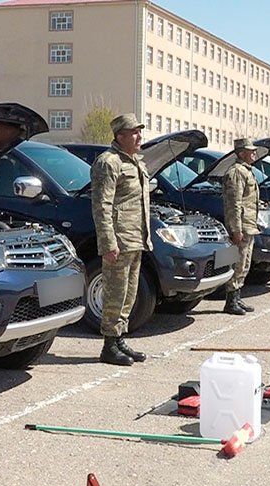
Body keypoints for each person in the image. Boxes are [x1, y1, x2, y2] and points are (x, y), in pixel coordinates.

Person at [90, 113, 150, 366]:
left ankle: (119, 339)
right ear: (120, 136)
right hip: (119, 239)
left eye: (139, 131)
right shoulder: (109, 162)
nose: (139, 136)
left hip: (135, 237)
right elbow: (101, 205)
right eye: (133, 132)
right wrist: (108, 243)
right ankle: (109, 346)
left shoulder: (135, 161)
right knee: (115, 293)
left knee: (129, 294)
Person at [221, 138, 261, 315]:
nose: (254, 153)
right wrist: (235, 229)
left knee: (244, 263)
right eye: (250, 150)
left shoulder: (247, 171)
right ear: (241, 153)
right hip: (242, 225)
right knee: (237, 262)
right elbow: (234, 203)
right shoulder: (237, 171)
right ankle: (230, 301)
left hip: (249, 224)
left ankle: (237, 296)